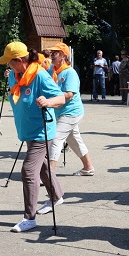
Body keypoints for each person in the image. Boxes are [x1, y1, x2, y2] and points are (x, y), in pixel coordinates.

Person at [0, 42, 66, 233]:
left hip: (41, 131)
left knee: (28, 171)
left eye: (9, 63)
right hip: (27, 130)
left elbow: (60, 98)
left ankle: (29, 218)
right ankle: (57, 195)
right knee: (42, 165)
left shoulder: (40, 75)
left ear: (19, 61)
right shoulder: (14, 74)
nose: (7, 66)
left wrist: (47, 101)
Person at [47, 42, 95, 176]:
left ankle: (49, 175)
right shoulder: (52, 70)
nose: (51, 56)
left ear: (63, 55)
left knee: (55, 139)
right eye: (51, 53)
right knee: (74, 140)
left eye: (55, 53)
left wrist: (50, 99)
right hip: (60, 112)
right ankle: (88, 167)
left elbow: (69, 95)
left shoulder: (70, 73)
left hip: (71, 112)